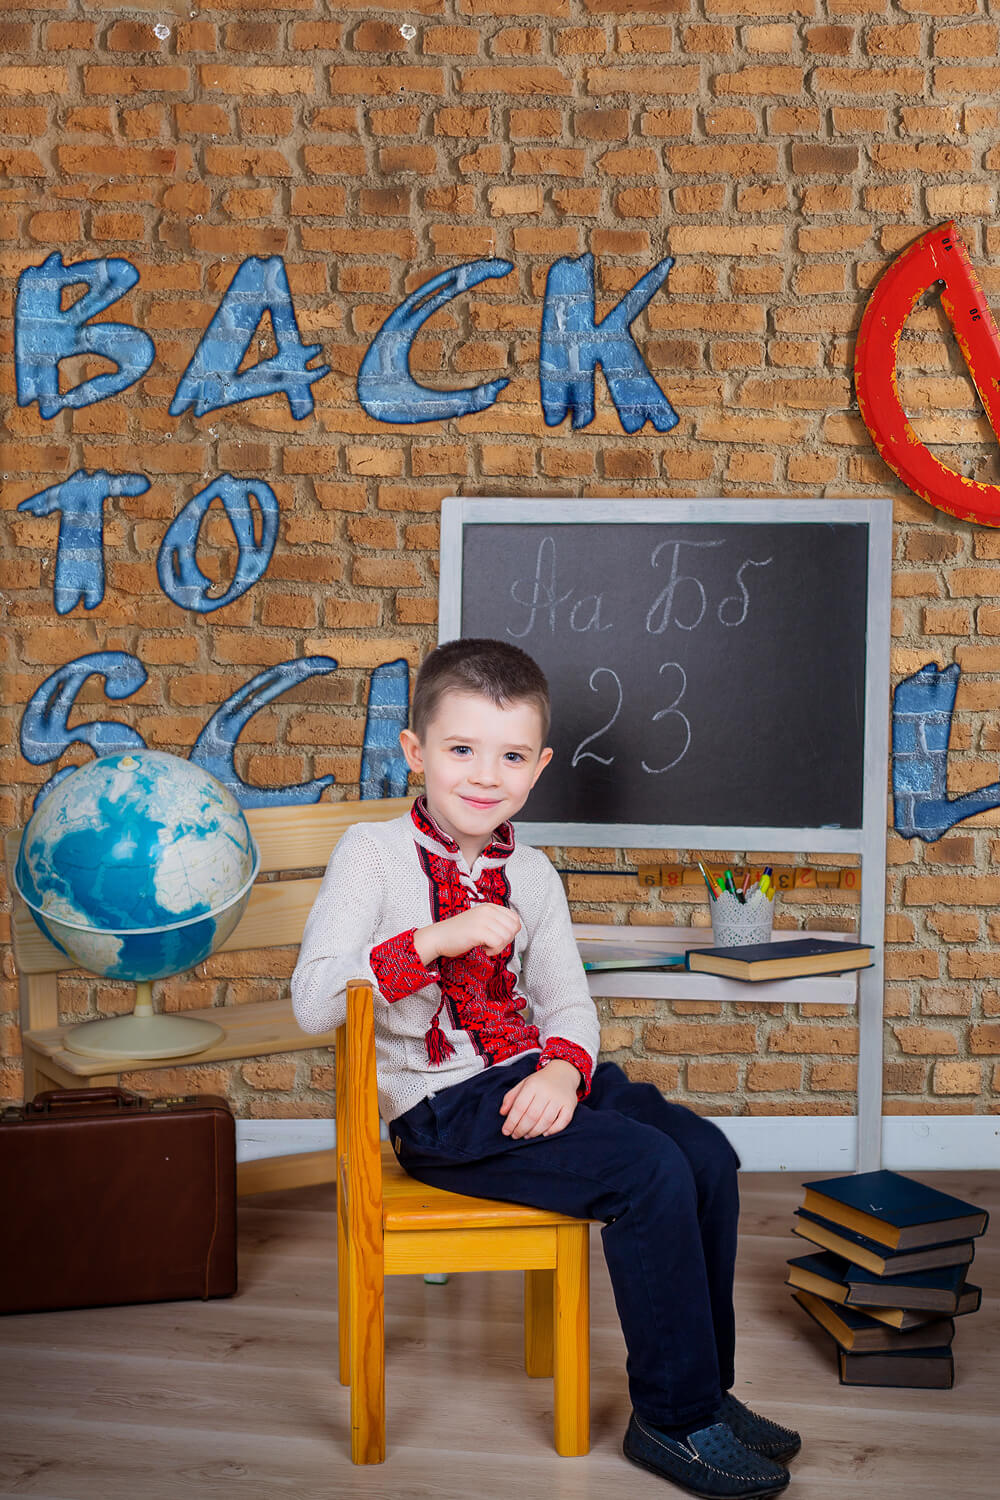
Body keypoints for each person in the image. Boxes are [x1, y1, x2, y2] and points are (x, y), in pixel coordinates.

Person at [291, 637, 800, 1500]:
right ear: (416, 753)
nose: (485, 776)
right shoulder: (370, 855)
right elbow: (312, 999)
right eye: (461, 750)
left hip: (536, 1074)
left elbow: (568, 1005)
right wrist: (429, 942)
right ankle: (670, 1422)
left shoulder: (532, 873)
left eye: (512, 756)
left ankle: (705, 1393)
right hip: (444, 1111)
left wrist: (563, 1073)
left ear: (538, 767)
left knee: (705, 1153)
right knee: (646, 1172)